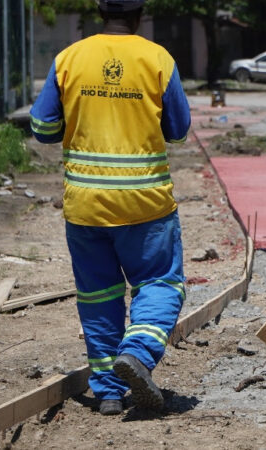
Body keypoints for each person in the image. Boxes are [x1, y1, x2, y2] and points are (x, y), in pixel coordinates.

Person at [30, 0, 191, 415]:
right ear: (140, 15)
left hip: (85, 205)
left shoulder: (69, 58)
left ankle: (108, 393)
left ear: (101, 13)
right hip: (145, 205)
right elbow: (178, 130)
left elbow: (43, 127)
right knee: (160, 284)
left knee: (98, 296)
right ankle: (137, 353)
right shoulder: (157, 58)